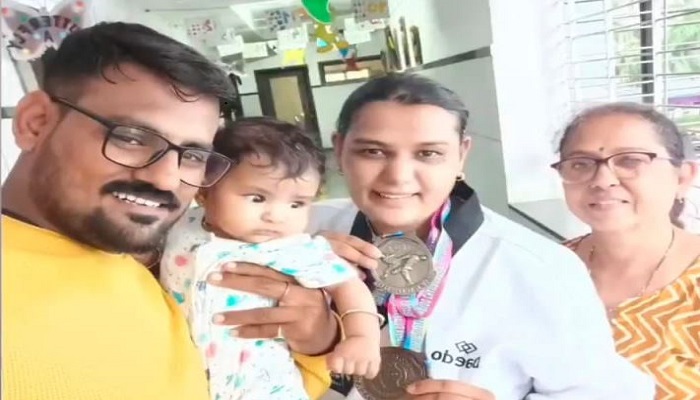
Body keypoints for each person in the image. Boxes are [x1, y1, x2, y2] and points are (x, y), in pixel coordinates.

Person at [1, 22, 337, 400]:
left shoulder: (142, 261)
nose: (166, 179)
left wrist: (315, 341)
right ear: (35, 123)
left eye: (192, 155)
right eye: (131, 137)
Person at [306, 73, 656, 399]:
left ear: (461, 155)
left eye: (428, 154)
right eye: (373, 151)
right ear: (339, 149)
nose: (398, 176)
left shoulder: (542, 268)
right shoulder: (302, 234)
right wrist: (289, 268)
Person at [160, 117, 382, 400]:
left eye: (296, 204)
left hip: (264, 386)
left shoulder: (291, 248)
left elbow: (348, 284)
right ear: (205, 189)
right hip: (187, 382)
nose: (276, 216)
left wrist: (362, 337)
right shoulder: (181, 224)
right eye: (257, 198)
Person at [551, 102, 700, 399]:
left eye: (631, 161)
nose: (602, 180)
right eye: (581, 163)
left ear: (683, 177)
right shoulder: (540, 269)